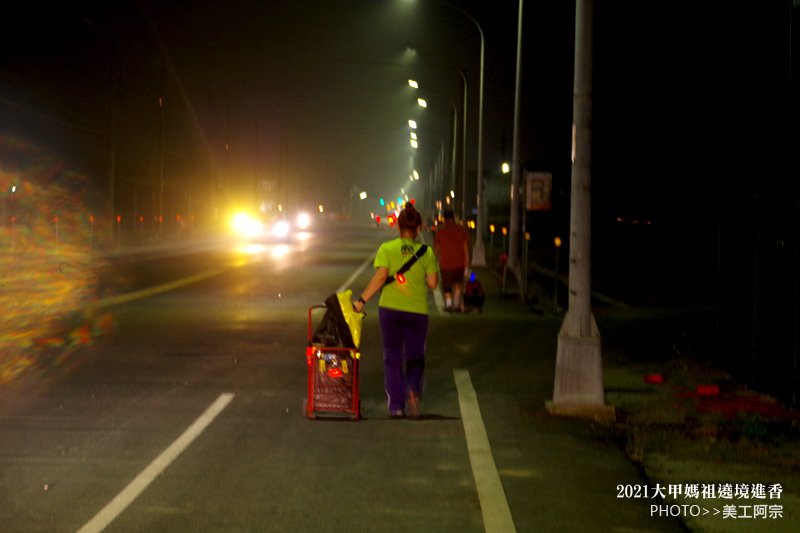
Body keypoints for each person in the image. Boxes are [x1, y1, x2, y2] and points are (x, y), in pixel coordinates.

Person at [352, 202, 439, 419]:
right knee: (416, 356)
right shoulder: (426, 252)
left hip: (389, 310)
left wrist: (362, 300)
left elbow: (381, 277)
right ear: (419, 229)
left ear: (397, 227)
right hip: (417, 311)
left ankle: (396, 407)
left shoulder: (387, 249)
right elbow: (433, 284)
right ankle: (412, 387)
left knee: (392, 358)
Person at [433, 208, 469, 312]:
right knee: (458, 284)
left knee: (447, 286)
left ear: (444, 218)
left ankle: (449, 305)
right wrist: (467, 264)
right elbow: (466, 249)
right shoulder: (462, 231)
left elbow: (437, 249)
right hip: (459, 263)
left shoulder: (441, 232)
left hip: (446, 263)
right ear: (453, 217)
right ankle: (457, 304)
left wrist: (436, 259)